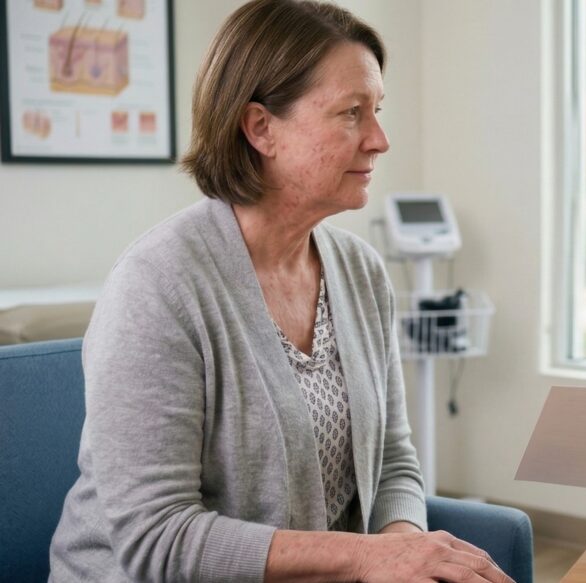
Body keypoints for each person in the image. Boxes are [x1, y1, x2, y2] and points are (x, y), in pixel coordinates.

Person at [48, 1, 512, 581]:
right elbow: (155, 538)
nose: (380, 139)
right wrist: (368, 557)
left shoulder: (362, 272)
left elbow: (394, 459)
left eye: (378, 111)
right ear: (261, 127)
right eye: (351, 113)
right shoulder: (160, 284)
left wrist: (403, 548)